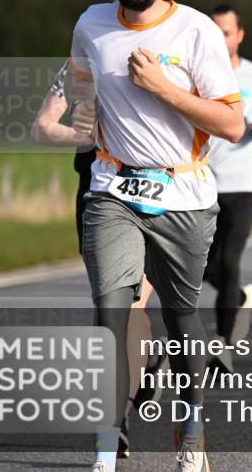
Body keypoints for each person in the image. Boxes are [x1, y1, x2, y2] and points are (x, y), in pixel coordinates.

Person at [69, 0, 244, 472]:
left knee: (181, 316)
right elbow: (77, 88)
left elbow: (232, 124)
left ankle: (191, 428)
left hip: (183, 193)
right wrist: (77, 114)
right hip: (112, 189)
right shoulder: (91, 23)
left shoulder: (195, 31)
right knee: (111, 312)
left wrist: (163, 89)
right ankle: (106, 440)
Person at [32, 61, 167, 461]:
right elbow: (42, 128)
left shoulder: (161, 51)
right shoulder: (78, 63)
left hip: (154, 191)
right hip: (97, 194)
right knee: (112, 308)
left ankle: (116, 419)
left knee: (132, 305)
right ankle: (141, 371)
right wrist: (84, 133)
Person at [204, 5, 252, 360]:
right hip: (202, 183)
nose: (220, 38)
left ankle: (223, 344)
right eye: (214, 31)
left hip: (242, 183)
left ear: (240, 35)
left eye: (227, 32)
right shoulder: (196, 70)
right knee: (199, 265)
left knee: (230, 262)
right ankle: (240, 296)